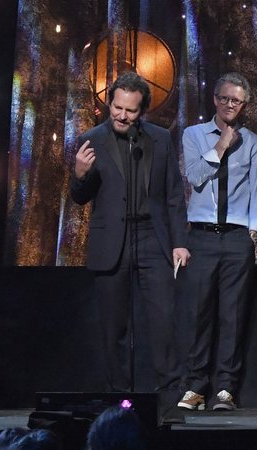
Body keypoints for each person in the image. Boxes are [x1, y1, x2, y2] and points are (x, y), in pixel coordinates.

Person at [70, 72, 189, 419]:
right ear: (109, 103)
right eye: (117, 107)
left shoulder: (160, 139)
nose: (122, 116)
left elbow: (173, 194)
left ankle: (169, 405)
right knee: (114, 329)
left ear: (143, 111)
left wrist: (180, 242)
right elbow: (80, 198)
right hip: (112, 242)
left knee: (164, 323)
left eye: (130, 111)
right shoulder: (90, 139)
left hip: (153, 238)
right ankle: (119, 404)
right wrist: (79, 174)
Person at [176, 72, 257, 411]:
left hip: (237, 238)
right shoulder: (194, 135)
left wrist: (254, 231)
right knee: (199, 313)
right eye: (225, 98)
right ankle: (195, 386)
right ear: (215, 99)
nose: (231, 105)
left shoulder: (254, 142)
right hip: (200, 236)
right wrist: (221, 145)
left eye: (237, 101)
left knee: (233, 315)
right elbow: (196, 176)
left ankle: (226, 388)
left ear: (244, 105)